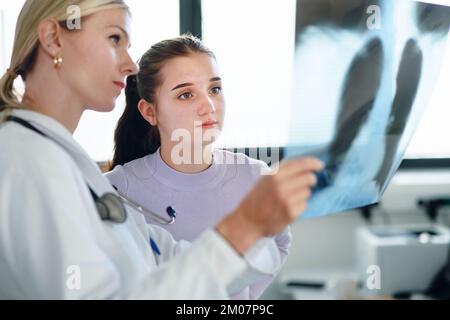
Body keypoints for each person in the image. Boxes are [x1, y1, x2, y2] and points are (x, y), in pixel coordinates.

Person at [0, 0, 323, 299]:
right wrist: (244, 228)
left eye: (215, 88)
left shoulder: (66, 161)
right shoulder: (29, 162)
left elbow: (161, 258)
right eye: (115, 39)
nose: (129, 65)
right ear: (54, 39)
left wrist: (254, 228)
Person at [106, 35, 291, 299]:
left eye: (214, 89)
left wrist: (244, 296)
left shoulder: (255, 176)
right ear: (149, 112)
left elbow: (280, 242)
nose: (208, 106)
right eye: (186, 95)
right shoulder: (116, 190)